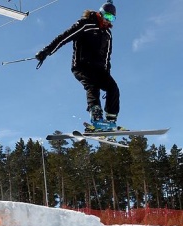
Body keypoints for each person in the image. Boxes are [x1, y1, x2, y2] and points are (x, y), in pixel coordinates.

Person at [35, 0, 120, 132]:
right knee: (92, 86)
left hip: (99, 69)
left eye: (112, 18)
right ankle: (97, 118)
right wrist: (47, 51)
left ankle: (110, 121)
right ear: (100, 14)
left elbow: (107, 56)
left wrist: (107, 75)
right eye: (107, 17)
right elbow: (64, 37)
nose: (108, 21)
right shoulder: (85, 24)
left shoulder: (107, 34)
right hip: (81, 66)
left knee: (113, 88)